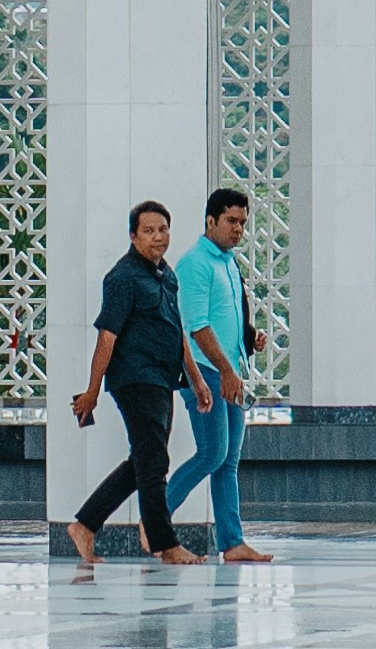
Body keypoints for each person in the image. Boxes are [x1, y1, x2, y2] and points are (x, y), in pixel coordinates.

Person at [62, 198, 203, 567]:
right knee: (153, 461)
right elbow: (106, 337)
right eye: (149, 231)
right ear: (133, 236)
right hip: (135, 379)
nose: (158, 237)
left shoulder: (166, 275)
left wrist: (196, 380)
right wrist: (92, 391)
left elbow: (177, 332)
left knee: (144, 460)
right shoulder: (122, 278)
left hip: (162, 379)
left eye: (163, 230)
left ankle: (85, 525)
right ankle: (165, 543)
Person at [174, 184, 275, 564]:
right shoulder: (195, 264)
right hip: (205, 372)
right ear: (210, 221)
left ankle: (232, 542)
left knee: (227, 460)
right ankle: (156, 519)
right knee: (211, 453)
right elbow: (197, 326)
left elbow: (228, 317)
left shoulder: (229, 263)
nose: (238, 229)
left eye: (242, 222)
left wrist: (250, 338)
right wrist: (225, 370)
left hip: (230, 371)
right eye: (231, 221)